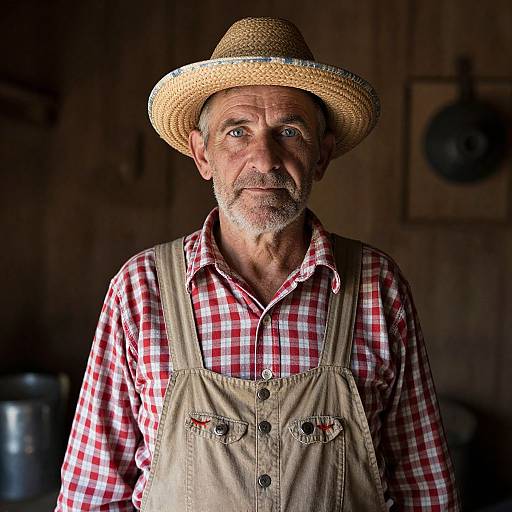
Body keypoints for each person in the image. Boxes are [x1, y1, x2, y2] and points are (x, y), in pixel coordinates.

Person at [56, 17, 460, 511]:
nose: (263, 159)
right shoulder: (140, 289)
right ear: (202, 154)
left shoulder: (378, 286)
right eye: (237, 132)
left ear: (322, 156)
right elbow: (91, 495)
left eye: (288, 132)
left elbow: (427, 489)